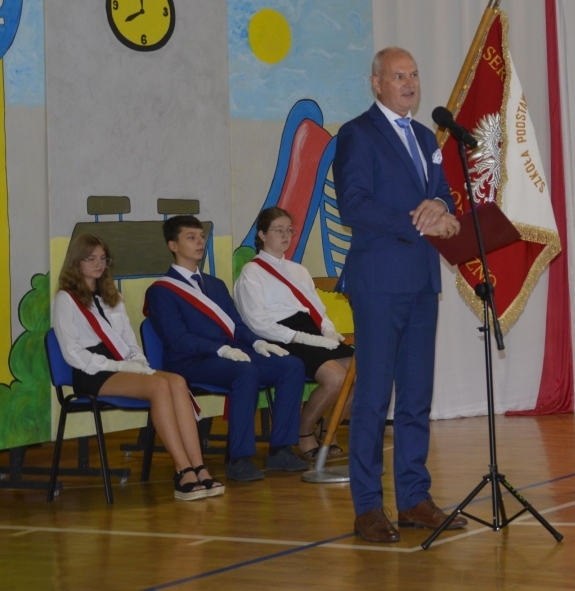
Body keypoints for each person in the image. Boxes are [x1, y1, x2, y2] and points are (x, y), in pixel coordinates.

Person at [334, 46, 463, 543]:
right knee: (373, 397)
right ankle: (367, 506)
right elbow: (354, 205)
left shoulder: (428, 137)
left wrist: (442, 208)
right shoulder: (357, 134)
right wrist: (419, 220)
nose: (409, 84)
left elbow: (442, 193)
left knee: (415, 396)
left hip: (422, 281)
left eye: (414, 75)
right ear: (376, 83)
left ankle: (413, 498)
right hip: (379, 282)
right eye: (398, 76)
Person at [52, 234, 223, 501]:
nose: (98, 264)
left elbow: (129, 341)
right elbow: (73, 353)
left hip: (123, 364)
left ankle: (199, 466)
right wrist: (119, 365)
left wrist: (138, 362)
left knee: (177, 381)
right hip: (92, 371)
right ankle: (182, 470)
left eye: (103, 259)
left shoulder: (113, 296)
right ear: (76, 262)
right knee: (159, 387)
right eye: (90, 259)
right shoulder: (66, 299)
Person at [144, 215, 309, 482]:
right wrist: (219, 350)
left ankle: (280, 450)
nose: (200, 242)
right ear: (173, 245)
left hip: (230, 355)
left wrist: (257, 342)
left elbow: (236, 326)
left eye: (201, 237)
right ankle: (238, 458)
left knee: (292, 365)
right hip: (189, 361)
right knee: (245, 371)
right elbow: (177, 339)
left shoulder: (215, 285)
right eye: (191, 238)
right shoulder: (161, 291)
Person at [235, 206, 355, 458]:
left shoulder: (298, 270)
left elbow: (317, 309)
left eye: (289, 230)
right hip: (282, 337)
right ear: (262, 234)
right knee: (336, 378)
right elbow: (256, 322)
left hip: (311, 330)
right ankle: (304, 430)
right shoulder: (251, 272)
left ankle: (328, 429)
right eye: (278, 230)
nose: (285, 235)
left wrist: (328, 330)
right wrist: (300, 337)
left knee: (363, 373)